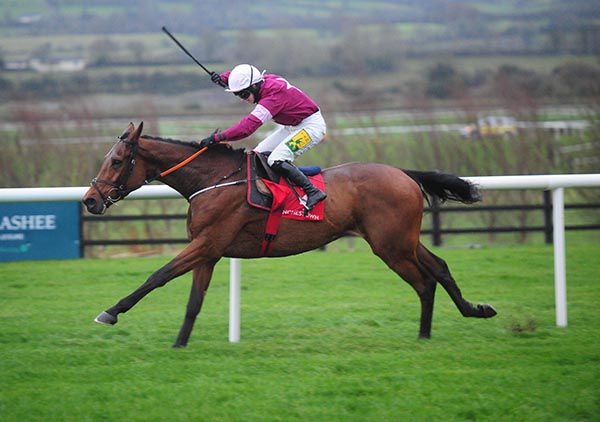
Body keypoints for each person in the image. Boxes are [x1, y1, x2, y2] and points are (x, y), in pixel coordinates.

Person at [199, 64, 327, 213]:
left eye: (244, 95)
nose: (243, 99)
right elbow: (241, 76)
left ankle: (312, 191)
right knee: (256, 156)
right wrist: (222, 78)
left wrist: (217, 138)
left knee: (276, 160)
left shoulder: (272, 97)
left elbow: (246, 128)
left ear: (254, 86)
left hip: (311, 128)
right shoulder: (262, 81)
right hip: (292, 126)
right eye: (238, 95)